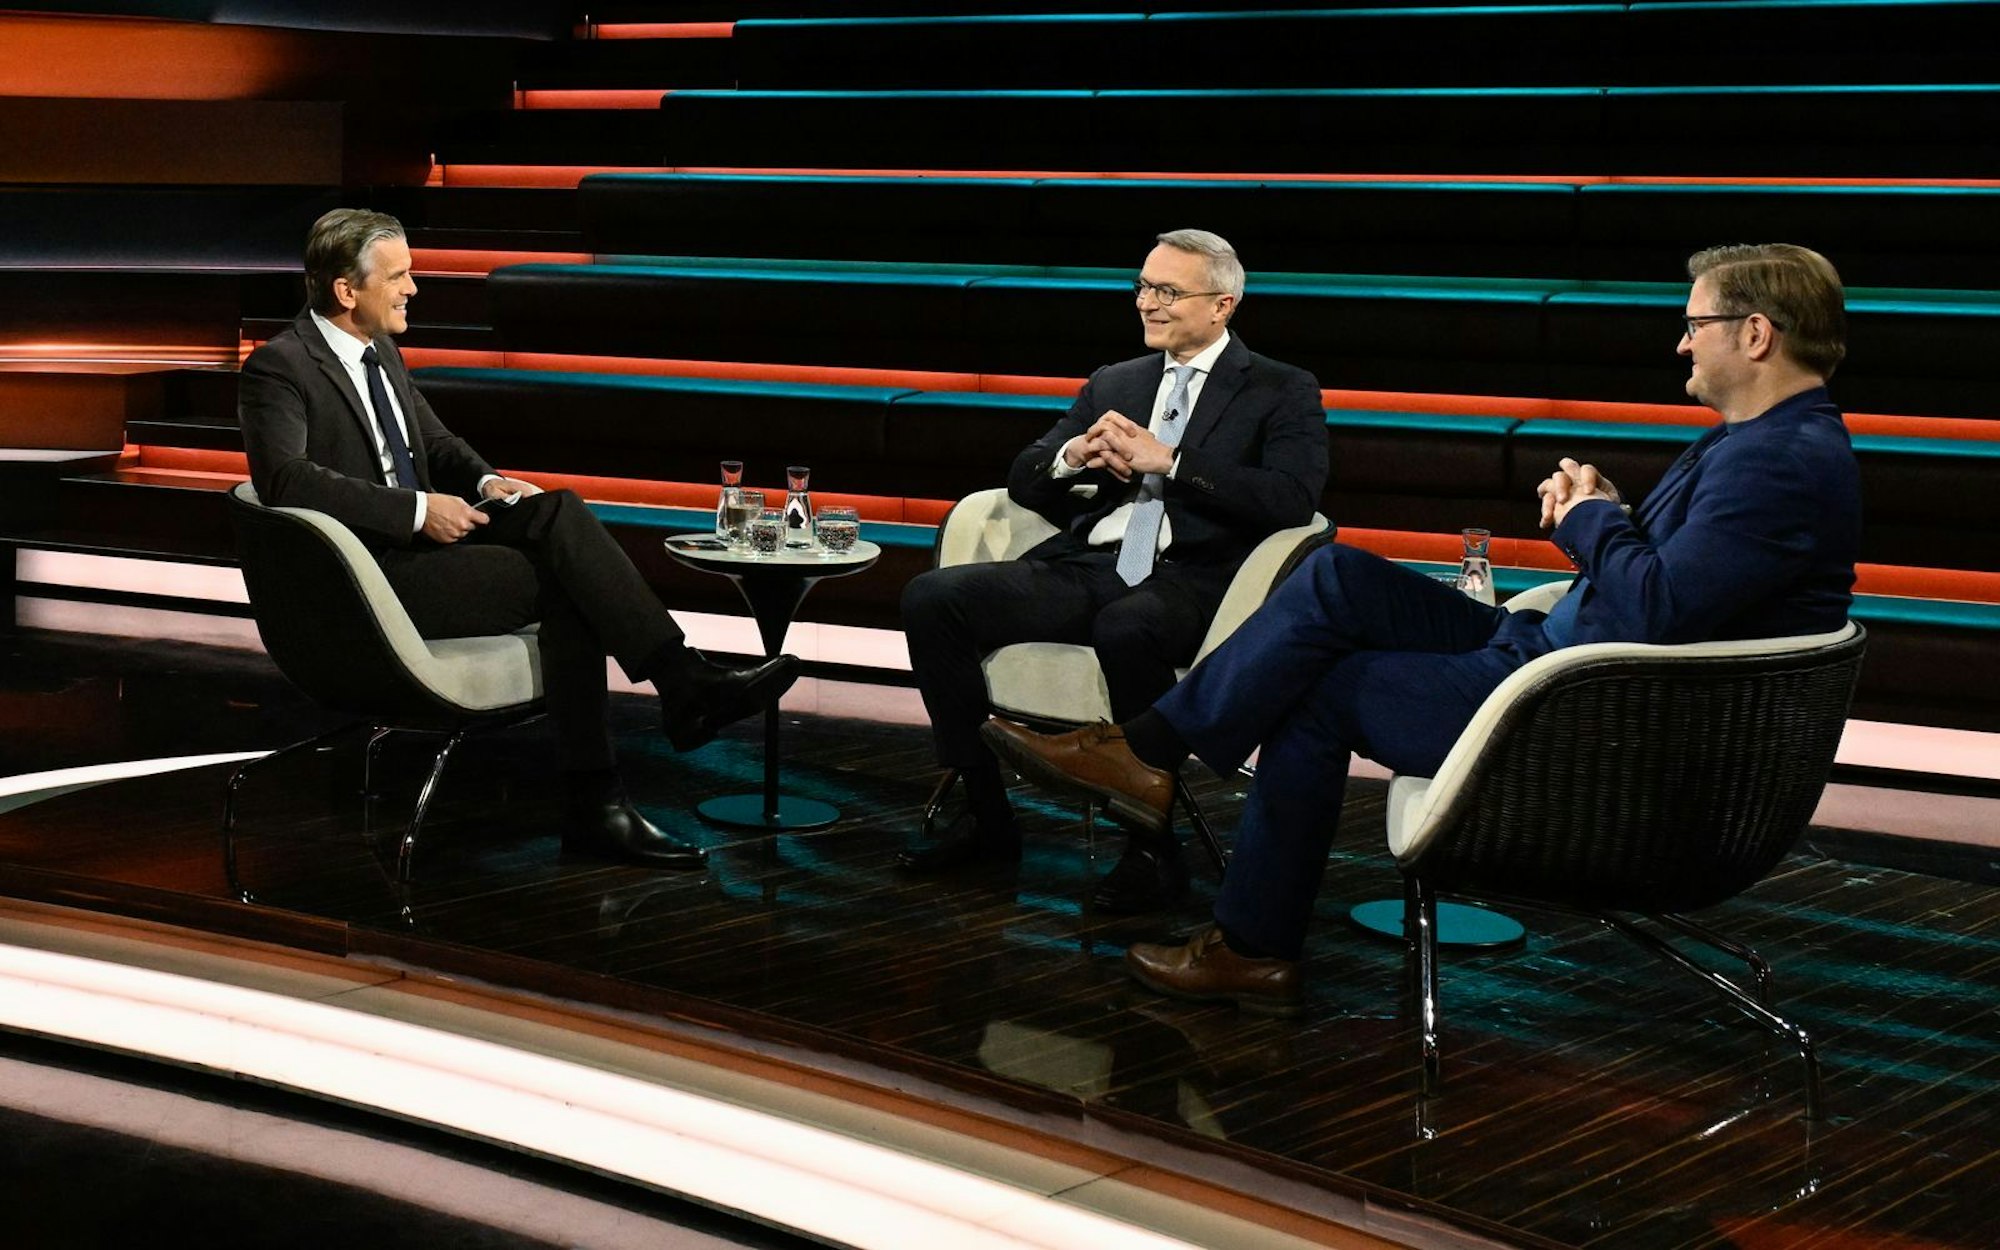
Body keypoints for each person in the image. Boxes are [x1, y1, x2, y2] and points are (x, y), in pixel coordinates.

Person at [982, 243, 1861, 1014]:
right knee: (1337, 572)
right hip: (1553, 659)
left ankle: (1245, 936)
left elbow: (1659, 610)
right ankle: (1150, 757)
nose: (1681, 340)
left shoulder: (1779, 462)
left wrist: (1592, 520)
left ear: (1754, 334)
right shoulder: (1763, 443)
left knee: (1318, 691)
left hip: (1577, 710)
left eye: (1695, 323)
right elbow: (1678, 588)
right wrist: (1609, 520)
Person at [239, 208, 799, 870]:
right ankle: (642, 746)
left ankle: (669, 704)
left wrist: (486, 482)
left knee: (556, 511)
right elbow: (286, 481)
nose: (413, 288)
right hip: (375, 577)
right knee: (572, 588)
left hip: (429, 551)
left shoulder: (382, 352)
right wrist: (418, 511)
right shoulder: (281, 367)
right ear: (345, 289)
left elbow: (438, 444)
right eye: (398, 275)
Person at [896, 229, 1329, 912]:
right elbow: (1025, 477)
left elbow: (1291, 500)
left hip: (1193, 577)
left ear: (1222, 305)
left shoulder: (1280, 388)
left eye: (1167, 292)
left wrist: (1175, 463)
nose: (1146, 304)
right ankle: (984, 812)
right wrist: (1073, 455)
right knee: (933, 599)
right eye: (1143, 287)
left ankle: (1150, 851)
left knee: (1128, 625)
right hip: (1093, 563)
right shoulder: (1116, 381)